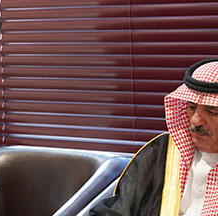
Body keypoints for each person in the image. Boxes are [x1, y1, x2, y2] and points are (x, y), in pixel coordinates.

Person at [90, 58, 218, 215]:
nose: (195, 121)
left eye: (212, 111)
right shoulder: (161, 152)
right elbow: (119, 209)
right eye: (191, 107)